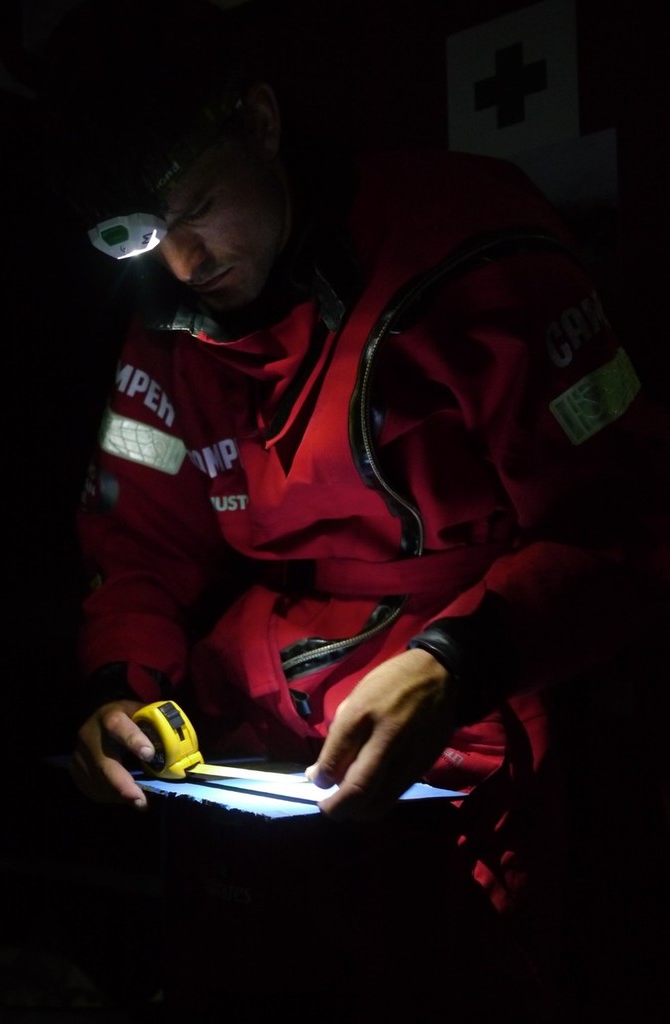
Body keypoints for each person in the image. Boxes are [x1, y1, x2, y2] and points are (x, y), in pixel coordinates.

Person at [37, 0, 670, 1019]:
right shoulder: (163, 332)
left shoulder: (473, 252)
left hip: (477, 715)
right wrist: (120, 689)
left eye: (198, 209)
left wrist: (452, 663)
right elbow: (136, 552)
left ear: (263, 121)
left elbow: (627, 520)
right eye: (147, 241)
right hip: (253, 747)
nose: (185, 268)